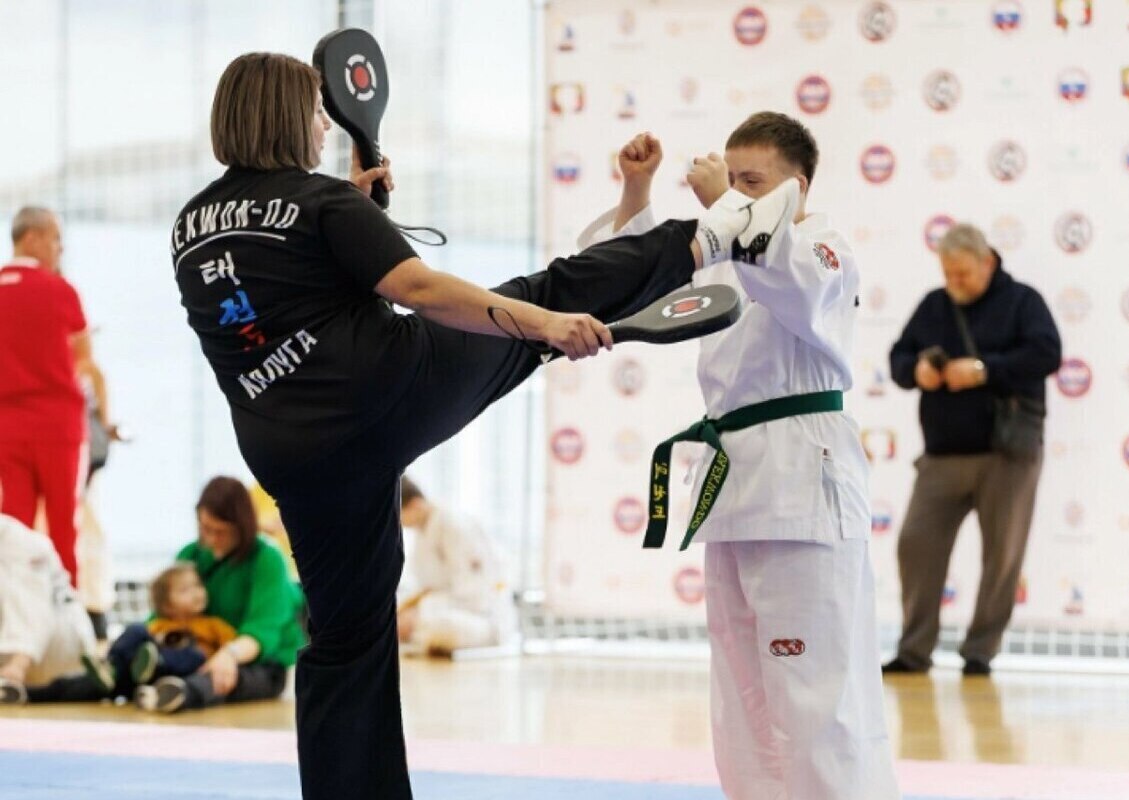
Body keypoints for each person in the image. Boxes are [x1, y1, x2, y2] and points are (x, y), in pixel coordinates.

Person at [173, 53, 791, 800]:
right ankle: (712, 236)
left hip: (289, 453)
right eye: (312, 113)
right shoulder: (321, 203)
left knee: (345, 637)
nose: (323, 128)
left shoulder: (191, 225)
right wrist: (543, 325)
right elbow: (420, 288)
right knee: (545, 291)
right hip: (380, 394)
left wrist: (353, 211)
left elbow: (279, 290)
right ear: (282, 116)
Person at [580, 117, 899, 799]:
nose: (734, 194)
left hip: (802, 482)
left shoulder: (824, 250)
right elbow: (631, 283)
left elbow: (791, 280)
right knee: (743, 703)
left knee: (816, 699)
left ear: (798, 188)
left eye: (751, 182)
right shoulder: (725, 257)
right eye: (731, 179)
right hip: (733, 483)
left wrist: (726, 202)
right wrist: (637, 191)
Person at [885, 223, 1061, 676]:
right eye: (947, 273)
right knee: (915, 545)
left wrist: (984, 370)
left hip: (1007, 455)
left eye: (962, 273)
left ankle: (980, 652)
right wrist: (917, 371)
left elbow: (1046, 353)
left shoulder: (1023, 301)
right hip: (942, 455)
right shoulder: (934, 305)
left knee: (1002, 556)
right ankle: (914, 650)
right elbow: (899, 358)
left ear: (987, 262)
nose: (954, 282)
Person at [19, 476, 305, 712]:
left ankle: (176, 693)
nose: (212, 539)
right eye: (206, 529)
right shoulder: (193, 554)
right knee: (119, 674)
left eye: (221, 532)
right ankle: (33, 693)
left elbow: (263, 631)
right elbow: (161, 612)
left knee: (218, 678)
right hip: (188, 648)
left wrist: (229, 655)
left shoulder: (266, 558)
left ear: (242, 528)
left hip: (252, 661)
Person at [0, 206, 103, 586]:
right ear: (33, 238)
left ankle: (14, 611)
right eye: (56, 238)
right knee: (64, 528)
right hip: (58, 426)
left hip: (7, 427)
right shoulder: (60, 290)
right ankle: (65, 609)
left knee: (14, 529)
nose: (60, 248)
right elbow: (84, 358)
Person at [79, 561, 237, 710]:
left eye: (198, 585)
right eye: (184, 590)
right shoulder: (159, 625)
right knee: (136, 629)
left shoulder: (212, 625)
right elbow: (145, 640)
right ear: (167, 606)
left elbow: (231, 644)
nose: (196, 593)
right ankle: (111, 668)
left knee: (195, 654)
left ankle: (154, 665)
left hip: (184, 668)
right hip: (153, 659)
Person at [0, 479, 97, 705]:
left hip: (60, 650)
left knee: (20, 591)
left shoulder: (22, 543)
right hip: (12, 648)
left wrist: (17, 666)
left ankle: (13, 677)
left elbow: (32, 609)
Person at [395, 476, 516, 655]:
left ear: (415, 505)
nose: (400, 523)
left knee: (440, 628)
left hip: (481, 617)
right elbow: (429, 586)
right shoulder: (423, 531)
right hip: (443, 608)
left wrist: (421, 612)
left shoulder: (454, 524)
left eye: (400, 516)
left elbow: (475, 591)